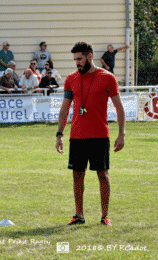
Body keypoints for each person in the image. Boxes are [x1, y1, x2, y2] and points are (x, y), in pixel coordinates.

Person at [56, 41, 126, 226]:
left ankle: (105, 216)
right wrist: (59, 134)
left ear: (89, 56)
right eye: (75, 60)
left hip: (100, 136)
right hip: (77, 136)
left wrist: (121, 134)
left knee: (103, 175)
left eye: (79, 59)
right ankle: (79, 215)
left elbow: (119, 108)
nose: (77, 63)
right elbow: (64, 108)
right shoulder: (71, 79)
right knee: (77, 175)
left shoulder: (107, 78)